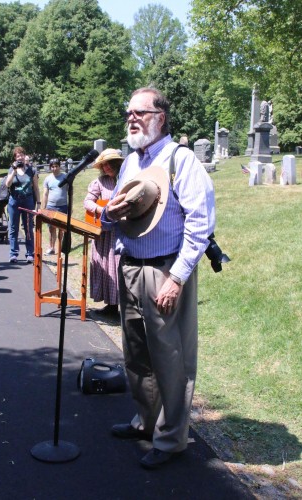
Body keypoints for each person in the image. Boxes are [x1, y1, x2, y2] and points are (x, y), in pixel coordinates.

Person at [101, 87, 216, 469]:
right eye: (128, 112)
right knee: (136, 354)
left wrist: (177, 277)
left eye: (140, 112)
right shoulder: (131, 163)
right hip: (131, 265)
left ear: (160, 117)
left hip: (165, 269)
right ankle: (146, 422)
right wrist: (109, 214)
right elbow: (111, 217)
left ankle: (170, 440)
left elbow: (200, 224)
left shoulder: (180, 160)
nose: (132, 118)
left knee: (171, 358)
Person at [84, 148, 124, 317]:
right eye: (103, 165)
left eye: (109, 164)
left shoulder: (126, 179)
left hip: (121, 231)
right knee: (106, 267)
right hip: (103, 233)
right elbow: (87, 202)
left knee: (119, 266)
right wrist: (102, 210)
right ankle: (111, 306)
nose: (107, 167)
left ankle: (124, 306)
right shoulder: (99, 182)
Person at [5, 146, 41, 263]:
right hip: (14, 201)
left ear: (25, 156)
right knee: (13, 228)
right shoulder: (12, 169)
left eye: (21, 154)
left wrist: (39, 203)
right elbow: (7, 184)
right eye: (17, 155)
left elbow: (36, 188)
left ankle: (30, 253)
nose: (20, 157)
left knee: (28, 227)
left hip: (28, 201)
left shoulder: (32, 170)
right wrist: (14, 171)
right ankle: (13, 253)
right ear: (15, 158)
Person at [42, 158, 68, 255]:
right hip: (51, 206)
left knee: (61, 229)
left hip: (63, 206)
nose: (54, 168)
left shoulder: (65, 178)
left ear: (59, 166)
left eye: (56, 166)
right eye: (52, 167)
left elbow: (70, 192)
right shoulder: (48, 179)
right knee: (51, 228)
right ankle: (51, 247)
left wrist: (70, 207)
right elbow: (45, 194)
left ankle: (60, 248)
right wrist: (43, 208)